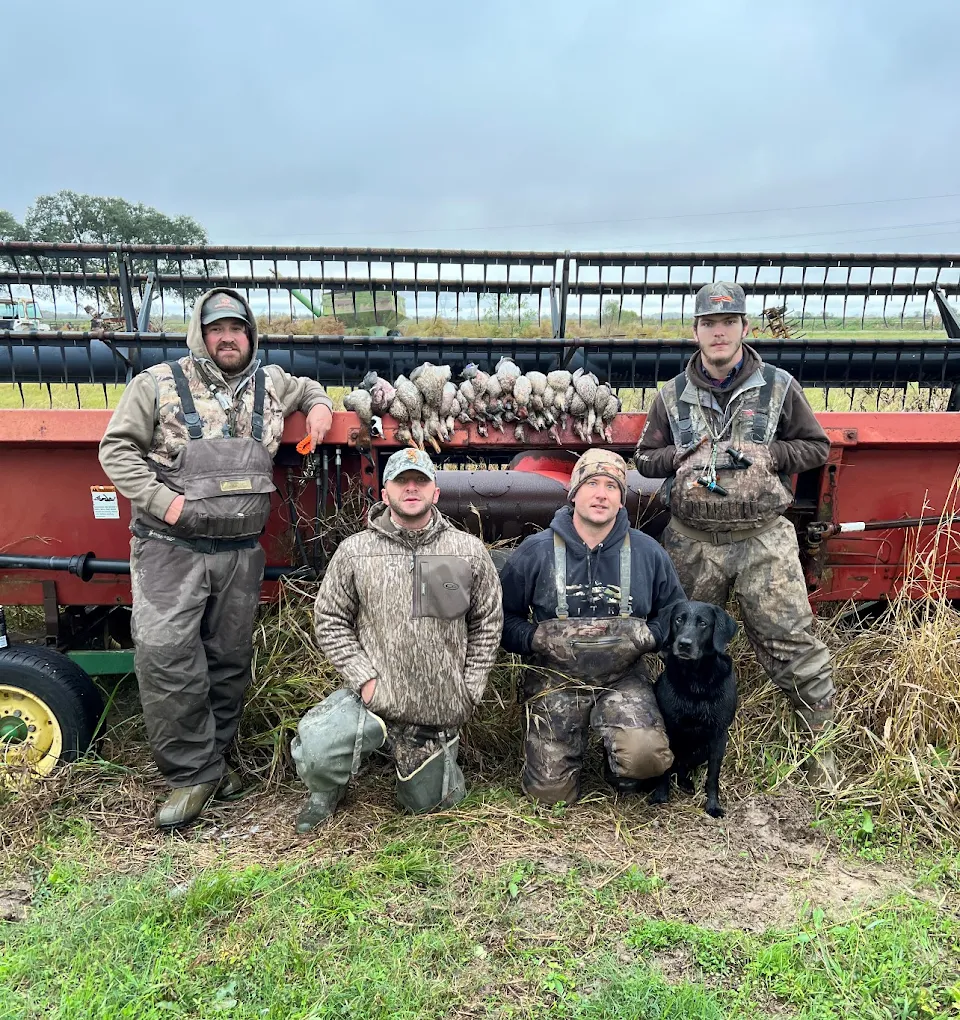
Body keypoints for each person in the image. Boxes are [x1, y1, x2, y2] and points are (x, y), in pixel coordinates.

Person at [98, 288, 334, 828]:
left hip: (239, 553)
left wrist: (318, 406)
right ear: (200, 335)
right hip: (169, 550)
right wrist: (166, 502)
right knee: (166, 658)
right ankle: (190, 775)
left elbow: (311, 388)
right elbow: (116, 449)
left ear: (251, 334)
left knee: (228, 662)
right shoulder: (156, 384)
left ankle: (213, 760)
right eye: (216, 329)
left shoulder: (272, 382)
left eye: (238, 328)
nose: (228, 338)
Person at [635, 280, 837, 787]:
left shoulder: (779, 386)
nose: (718, 332)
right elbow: (644, 458)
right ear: (696, 331)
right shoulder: (670, 396)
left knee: (793, 647)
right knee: (668, 645)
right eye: (708, 323)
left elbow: (816, 447)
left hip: (762, 539)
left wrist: (772, 454)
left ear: (745, 328)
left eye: (728, 323)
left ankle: (821, 764)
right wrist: (682, 457)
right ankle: (660, 760)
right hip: (692, 541)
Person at [295, 448, 503, 831]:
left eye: (420, 480)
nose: (412, 488)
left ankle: (421, 758)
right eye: (401, 481)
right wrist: (364, 679)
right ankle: (326, 789)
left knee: (432, 807)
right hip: (374, 701)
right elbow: (329, 619)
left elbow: (487, 623)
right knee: (317, 748)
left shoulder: (465, 550)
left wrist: (469, 688)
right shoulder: (356, 551)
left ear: (435, 492)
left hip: (436, 707)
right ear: (385, 492)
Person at [499, 449, 686, 805]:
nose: (601, 494)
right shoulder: (534, 551)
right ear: (574, 493)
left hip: (623, 679)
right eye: (592, 484)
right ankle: (562, 759)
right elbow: (502, 619)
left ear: (621, 499)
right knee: (549, 797)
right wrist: (533, 636)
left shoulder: (648, 552)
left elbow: (675, 612)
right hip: (555, 680)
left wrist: (652, 635)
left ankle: (617, 760)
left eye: (612, 487)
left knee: (646, 759)